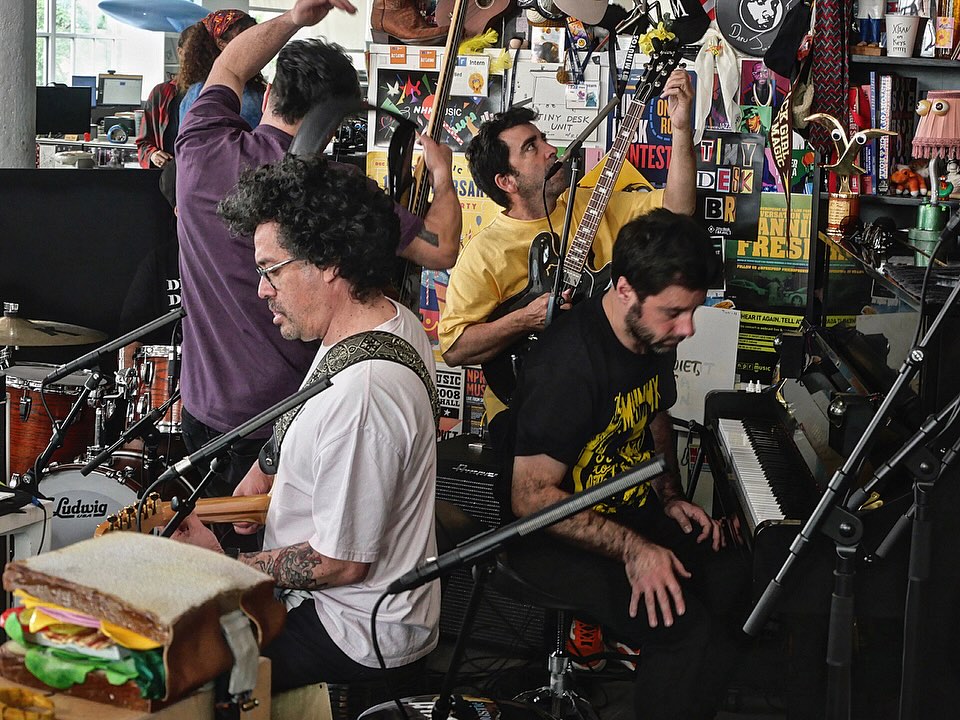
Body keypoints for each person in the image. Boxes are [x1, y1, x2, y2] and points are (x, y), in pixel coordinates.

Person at [172, 154, 440, 693]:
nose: (261, 289)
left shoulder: (365, 397)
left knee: (179, 666)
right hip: (337, 601)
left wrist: (227, 565)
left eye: (272, 270)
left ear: (329, 263)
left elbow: (340, 563)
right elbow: (304, 425)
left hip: (354, 630)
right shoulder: (383, 323)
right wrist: (266, 469)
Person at [174, 0, 459, 505]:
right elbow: (441, 249)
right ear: (332, 124)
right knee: (284, 561)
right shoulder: (332, 189)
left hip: (201, 412)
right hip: (284, 423)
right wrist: (441, 175)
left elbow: (229, 65)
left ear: (270, 100)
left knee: (217, 562)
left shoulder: (200, 149)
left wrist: (294, 19)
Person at [506, 209, 747, 720]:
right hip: (555, 535)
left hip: (630, 510)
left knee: (734, 578)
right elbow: (531, 499)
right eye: (674, 313)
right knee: (682, 630)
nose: (687, 328)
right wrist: (638, 551)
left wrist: (671, 498)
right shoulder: (568, 364)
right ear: (623, 290)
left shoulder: (651, 335)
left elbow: (655, 414)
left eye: (693, 311)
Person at [438, 69, 695, 435]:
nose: (551, 150)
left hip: (605, 393)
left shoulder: (593, 202)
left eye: (543, 139)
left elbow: (678, 212)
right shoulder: (485, 253)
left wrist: (682, 130)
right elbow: (454, 349)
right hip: (524, 404)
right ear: (506, 181)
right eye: (532, 147)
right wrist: (524, 319)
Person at [177, 10, 266, 129]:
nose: (254, 42)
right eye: (244, 35)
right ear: (221, 44)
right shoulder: (203, 92)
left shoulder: (253, 88)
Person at [135, 30, 187, 169]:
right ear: (180, 52)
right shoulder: (161, 94)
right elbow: (143, 143)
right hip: (166, 177)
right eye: (191, 52)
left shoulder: (213, 93)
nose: (198, 59)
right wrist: (153, 154)